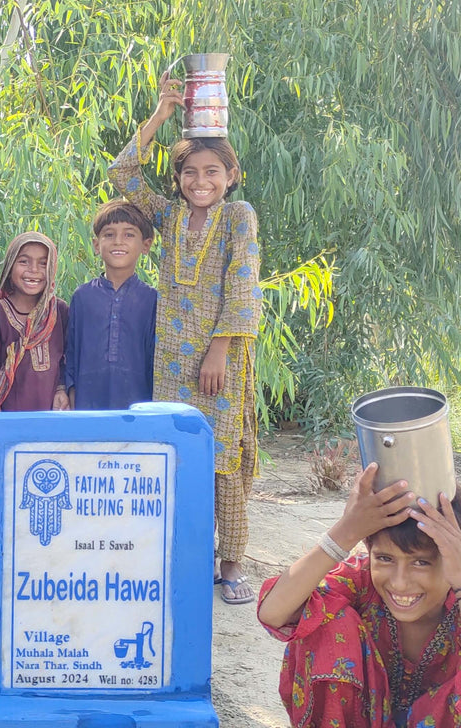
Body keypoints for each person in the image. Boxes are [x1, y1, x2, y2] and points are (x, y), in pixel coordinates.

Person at [108, 71, 262, 605]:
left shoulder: (239, 217)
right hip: (172, 360)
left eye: (212, 171)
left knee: (224, 458)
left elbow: (243, 285)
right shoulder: (169, 216)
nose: (201, 180)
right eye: (190, 172)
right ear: (177, 179)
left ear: (231, 174)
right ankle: (184, 555)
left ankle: (232, 565)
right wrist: (160, 116)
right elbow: (122, 174)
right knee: (178, 455)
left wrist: (220, 347)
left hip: (221, 355)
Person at [257, 464, 461, 726]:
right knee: (324, 623)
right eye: (385, 558)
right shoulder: (362, 582)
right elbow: (273, 613)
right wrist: (345, 532)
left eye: (421, 562)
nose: (399, 584)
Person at [63, 201, 156, 410]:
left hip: (139, 404)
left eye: (129, 234)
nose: (118, 242)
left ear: (146, 245)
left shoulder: (152, 300)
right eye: (109, 234)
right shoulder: (82, 296)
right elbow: (71, 352)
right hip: (88, 404)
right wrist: (69, 391)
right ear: (97, 245)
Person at [0, 231, 70, 412]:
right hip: (7, 416)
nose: (34, 270)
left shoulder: (60, 311)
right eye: (24, 261)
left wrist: (61, 389)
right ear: (10, 267)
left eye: (43, 263)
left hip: (52, 416)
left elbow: (67, 359)